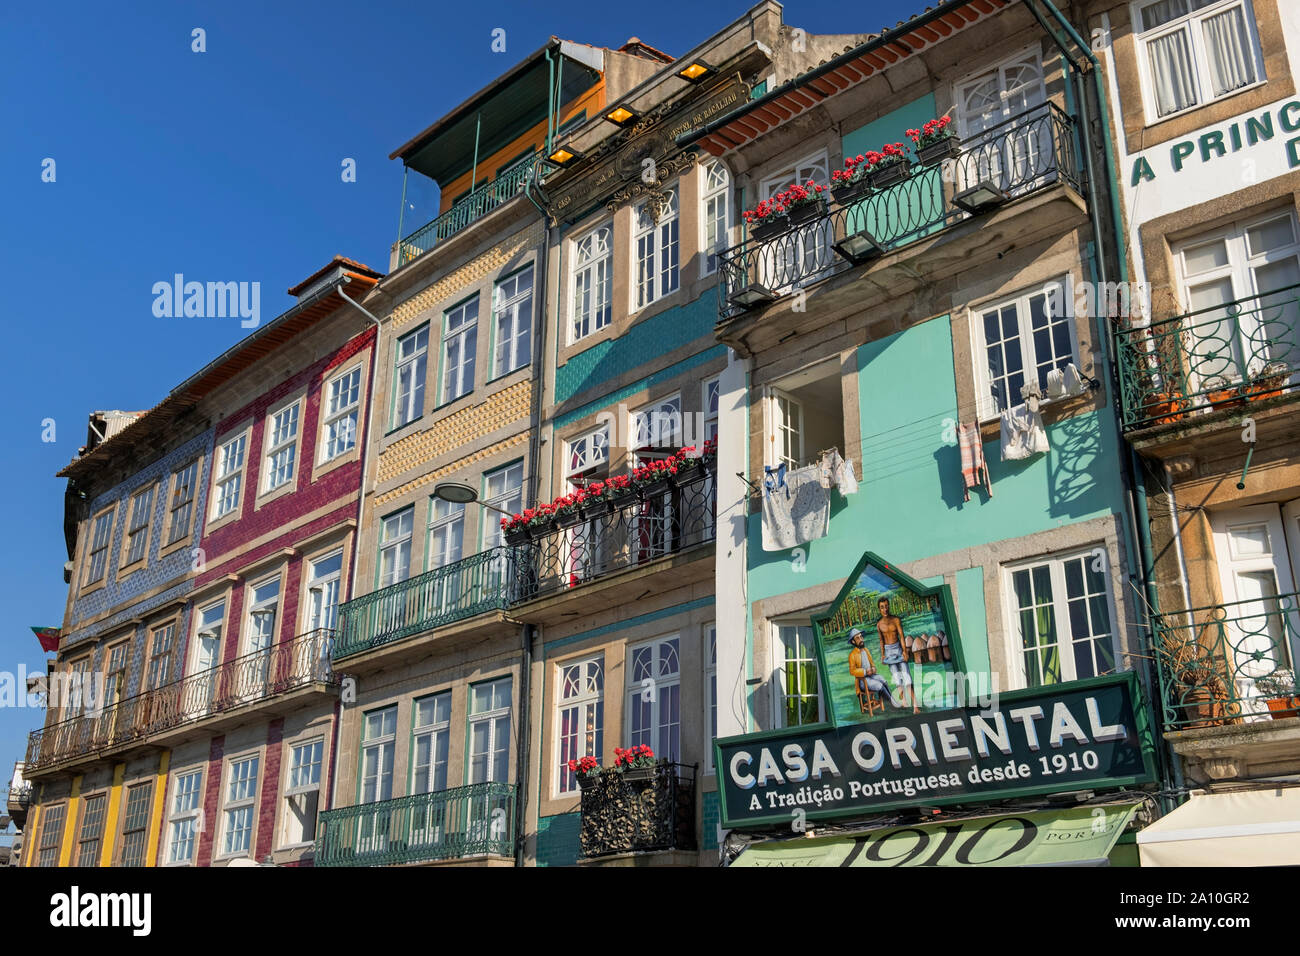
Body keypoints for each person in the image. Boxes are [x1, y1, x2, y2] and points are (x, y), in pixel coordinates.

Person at [876, 596, 919, 713]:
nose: (885, 609)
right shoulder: (879, 624)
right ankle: (904, 701)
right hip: (888, 652)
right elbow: (881, 640)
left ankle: (915, 705)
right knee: (896, 678)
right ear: (879, 609)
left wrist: (904, 651)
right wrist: (883, 655)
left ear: (889, 606)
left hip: (898, 649)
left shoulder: (896, 620)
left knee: (907, 677)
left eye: (886, 606)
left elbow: (901, 636)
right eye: (882, 607)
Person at [847, 628, 894, 712]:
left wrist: (873, 668)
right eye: (857, 638)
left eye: (861, 637)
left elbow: (872, 663)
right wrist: (864, 672)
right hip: (862, 681)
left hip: (871, 676)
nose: (861, 639)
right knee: (879, 685)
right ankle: (893, 704)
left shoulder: (866, 650)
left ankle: (892, 700)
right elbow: (852, 671)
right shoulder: (852, 655)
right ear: (853, 642)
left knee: (882, 679)